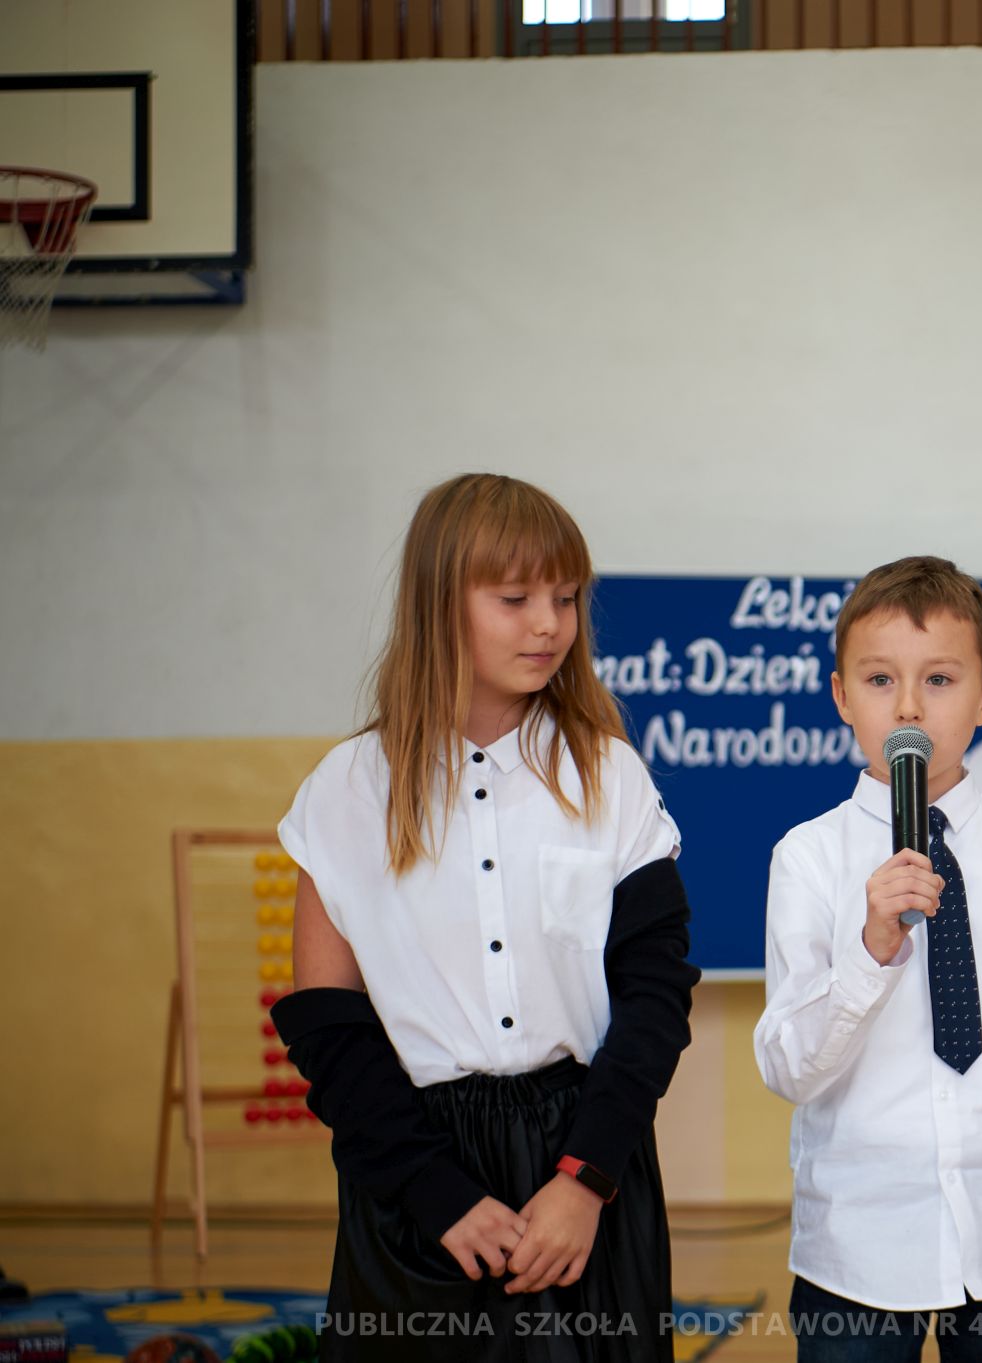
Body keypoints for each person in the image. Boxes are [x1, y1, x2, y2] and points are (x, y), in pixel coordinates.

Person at [272, 473, 699, 1361]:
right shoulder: (345, 791)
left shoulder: (612, 776)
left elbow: (655, 1000)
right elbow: (328, 1027)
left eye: (566, 597)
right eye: (514, 598)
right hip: (416, 1170)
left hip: (587, 1163)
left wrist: (585, 1179)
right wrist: (434, 1192)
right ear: (439, 603)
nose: (548, 624)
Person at [753, 555, 982, 1363]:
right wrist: (870, 949)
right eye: (880, 679)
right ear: (841, 695)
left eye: (941, 680)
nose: (910, 706)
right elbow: (787, 1068)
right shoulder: (808, 856)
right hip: (857, 1246)